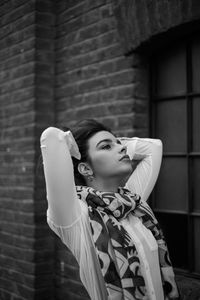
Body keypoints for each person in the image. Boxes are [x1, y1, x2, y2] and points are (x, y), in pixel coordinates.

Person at [40, 119, 180, 300]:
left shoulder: (132, 204)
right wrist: (72, 144)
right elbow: (51, 138)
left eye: (120, 145)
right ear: (85, 168)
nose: (121, 148)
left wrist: (112, 143)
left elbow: (154, 147)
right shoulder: (75, 215)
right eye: (106, 147)